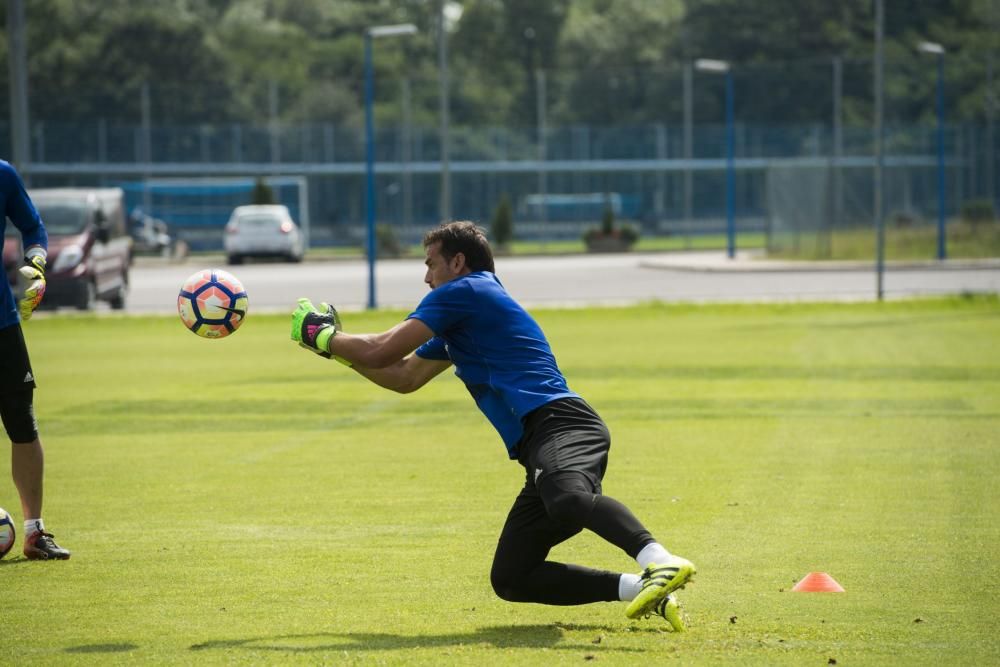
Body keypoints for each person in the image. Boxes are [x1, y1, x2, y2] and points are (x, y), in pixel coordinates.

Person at [290, 221, 693, 629]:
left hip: (561, 422)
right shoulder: (465, 317)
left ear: (458, 262)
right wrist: (333, 348)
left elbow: (381, 349)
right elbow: (403, 376)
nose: (427, 277)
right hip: (538, 441)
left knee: (567, 498)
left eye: (431, 264)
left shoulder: (466, 291)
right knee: (512, 577)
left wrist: (321, 335)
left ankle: (659, 560)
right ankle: (643, 588)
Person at [0, 159, 71, 560]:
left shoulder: (3, 174)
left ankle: (33, 532)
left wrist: (36, 261)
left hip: (2, 323)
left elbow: (33, 227)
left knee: (22, 422)